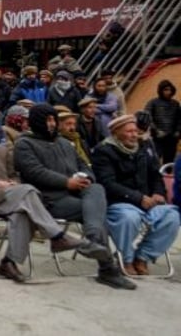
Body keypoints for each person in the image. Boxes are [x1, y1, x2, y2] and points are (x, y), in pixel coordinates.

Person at [0, 111, 88, 283]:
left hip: (6, 196)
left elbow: (13, 175)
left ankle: (9, 263)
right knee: (28, 191)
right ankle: (56, 236)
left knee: (23, 212)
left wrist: (13, 183)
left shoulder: (2, 150)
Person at [14, 104, 134, 289]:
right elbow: (34, 172)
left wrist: (86, 177)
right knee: (96, 213)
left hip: (76, 193)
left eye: (54, 119)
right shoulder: (24, 143)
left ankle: (93, 239)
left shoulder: (64, 143)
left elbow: (84, 164)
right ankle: (108, 269)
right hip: (48, 200)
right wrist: (66, 182)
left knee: (96, 189)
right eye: (48, 120)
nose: (52, 124)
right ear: (37, 121)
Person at [92, 115, 180, 276]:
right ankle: (125, 259)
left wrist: (158, 193)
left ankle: (142, 257)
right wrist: (138, 198)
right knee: (129, 218)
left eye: (135, 131)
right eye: (129, 131)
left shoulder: (144, 148)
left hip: (147, 201)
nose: (134, 135)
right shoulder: (103, 151)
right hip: (119, 202)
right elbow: (107, 183)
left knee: (172, 217)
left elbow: (155, 175)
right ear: (116, 133)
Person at [144, 80, 180, 164]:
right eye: (166, 90)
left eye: (170, 90)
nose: (168, 92)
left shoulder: (175, 104)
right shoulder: (153, 103)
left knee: (169, 163)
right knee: (154, 161)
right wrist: (156, 130)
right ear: (160, 90)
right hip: (158, 138)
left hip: (171, 138)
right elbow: (147, 117)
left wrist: (178, 131)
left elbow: (179, 119)